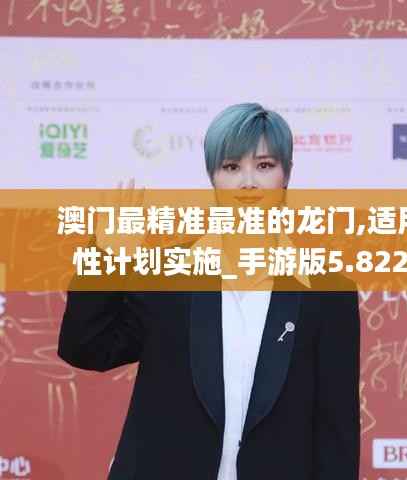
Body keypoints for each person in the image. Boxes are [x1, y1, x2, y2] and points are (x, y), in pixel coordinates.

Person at [57, 102, 361, 480]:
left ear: (286, 174)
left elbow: (336, 432)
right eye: (231, 167)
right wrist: (105, 260)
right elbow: (86, 349)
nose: (248, 182)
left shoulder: (328, 293)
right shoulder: (167, 276)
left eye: (264, 166)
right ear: (213, 177)